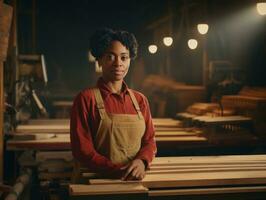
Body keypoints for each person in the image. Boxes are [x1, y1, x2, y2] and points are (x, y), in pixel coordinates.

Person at [70, 28, 157, 181]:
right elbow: (82, 150)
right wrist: (118, 171)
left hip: (134, 180)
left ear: (130, 60)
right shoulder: (85, 99)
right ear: (99, 60)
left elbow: (149, 141)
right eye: (110, 57)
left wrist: (142, 162)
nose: (118, 63)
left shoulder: (140, 100)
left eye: (124, 57)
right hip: (96, 182)